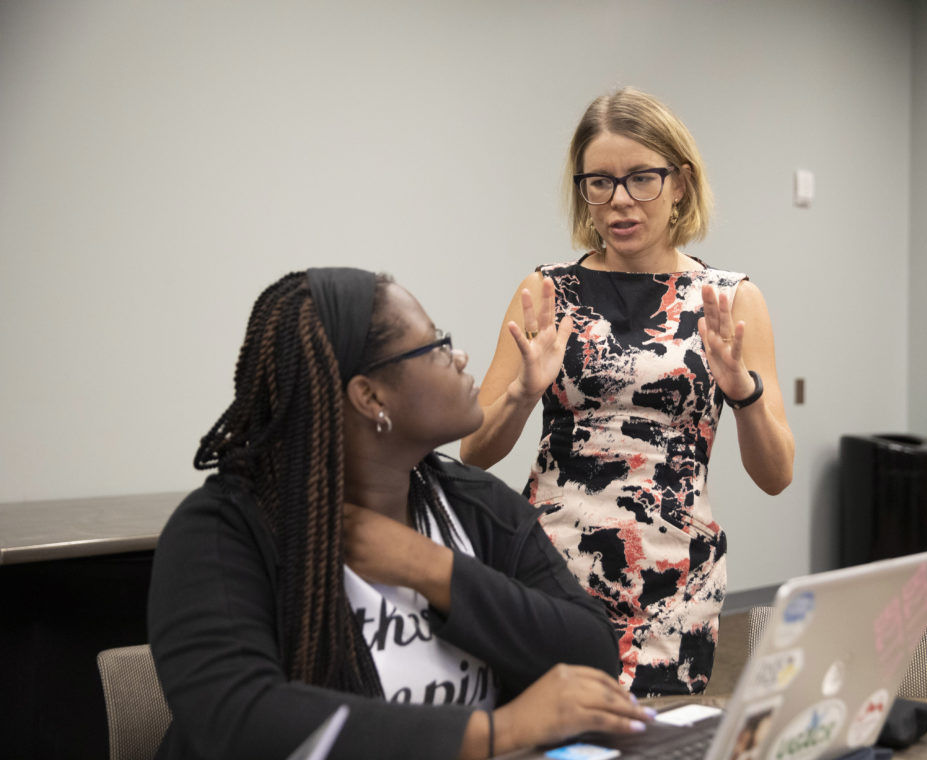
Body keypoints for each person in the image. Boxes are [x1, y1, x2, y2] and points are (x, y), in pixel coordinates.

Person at [147, 268, 654, 760]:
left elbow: (591, 655)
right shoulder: (222, 530)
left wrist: (432, 569)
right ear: (370, 396)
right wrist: (493, 734)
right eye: (435, 346)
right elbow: (237, 719)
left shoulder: (473, 504)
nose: (459, 357)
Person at [460, 88, 795, 697]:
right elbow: (473, 451)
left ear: (680, 184)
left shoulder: (730, 298)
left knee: (655, 743)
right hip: (552, 567)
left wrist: (742, 393)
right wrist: (522, 395)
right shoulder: (547, 290)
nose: (619, 200)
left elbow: (777, 475)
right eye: (600, 182)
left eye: (642, 178)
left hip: (675, 577)